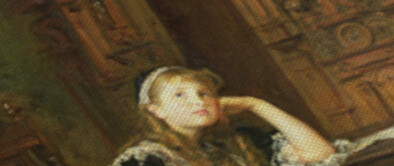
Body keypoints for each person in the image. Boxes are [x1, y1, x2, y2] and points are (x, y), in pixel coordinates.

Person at [110, 65, 355, 166]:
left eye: (204, 93)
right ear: (156, 111)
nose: (198, 101)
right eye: (180, 95)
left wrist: (255, 105)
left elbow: (319, 154)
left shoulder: (230, 143)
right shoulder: (145, 159)